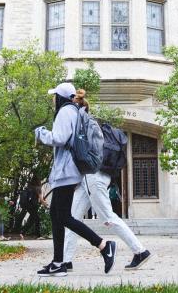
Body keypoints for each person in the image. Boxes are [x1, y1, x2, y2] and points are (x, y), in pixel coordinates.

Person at [34, 82, 116, 277]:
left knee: (63, 216)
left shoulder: (65, 112)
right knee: (56, 215)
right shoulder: (76, 111)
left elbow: (60, 138)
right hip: (71, 170)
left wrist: (41, 133)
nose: (53, 99)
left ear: (61, 97)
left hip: (66, 171)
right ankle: (58, 262)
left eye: (55, 96)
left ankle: (104, 246)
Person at [62, 100, 152, 271]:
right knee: (72, 218)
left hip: (93, 177)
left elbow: (82, 153)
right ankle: (66, 261)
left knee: (108, 217)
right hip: (91, 178)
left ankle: (140, 251)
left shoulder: (84, 124)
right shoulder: (90, 124)